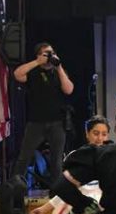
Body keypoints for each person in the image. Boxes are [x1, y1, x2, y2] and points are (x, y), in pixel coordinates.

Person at [30, 115, 110, 214]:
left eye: (104, 134)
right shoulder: (76, 157)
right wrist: (45, 208)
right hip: (79, 207)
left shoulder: (113, 158)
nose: (100, 138)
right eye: (96, 133)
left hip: (104, 209)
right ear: (87, 134)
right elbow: (66, 190)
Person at [11, 42, 74, 185]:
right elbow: (17, 74)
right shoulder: (33, 72)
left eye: (51, 53)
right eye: (46, 53)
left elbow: (69, 89)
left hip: (57, 122)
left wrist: (58, 67)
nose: (49, 56)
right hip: (36, 123)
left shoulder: (58, 73)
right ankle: (15, 189)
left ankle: (57, 193)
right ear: (39, 55)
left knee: (57, 160)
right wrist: (37, 62)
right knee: (24, 157)